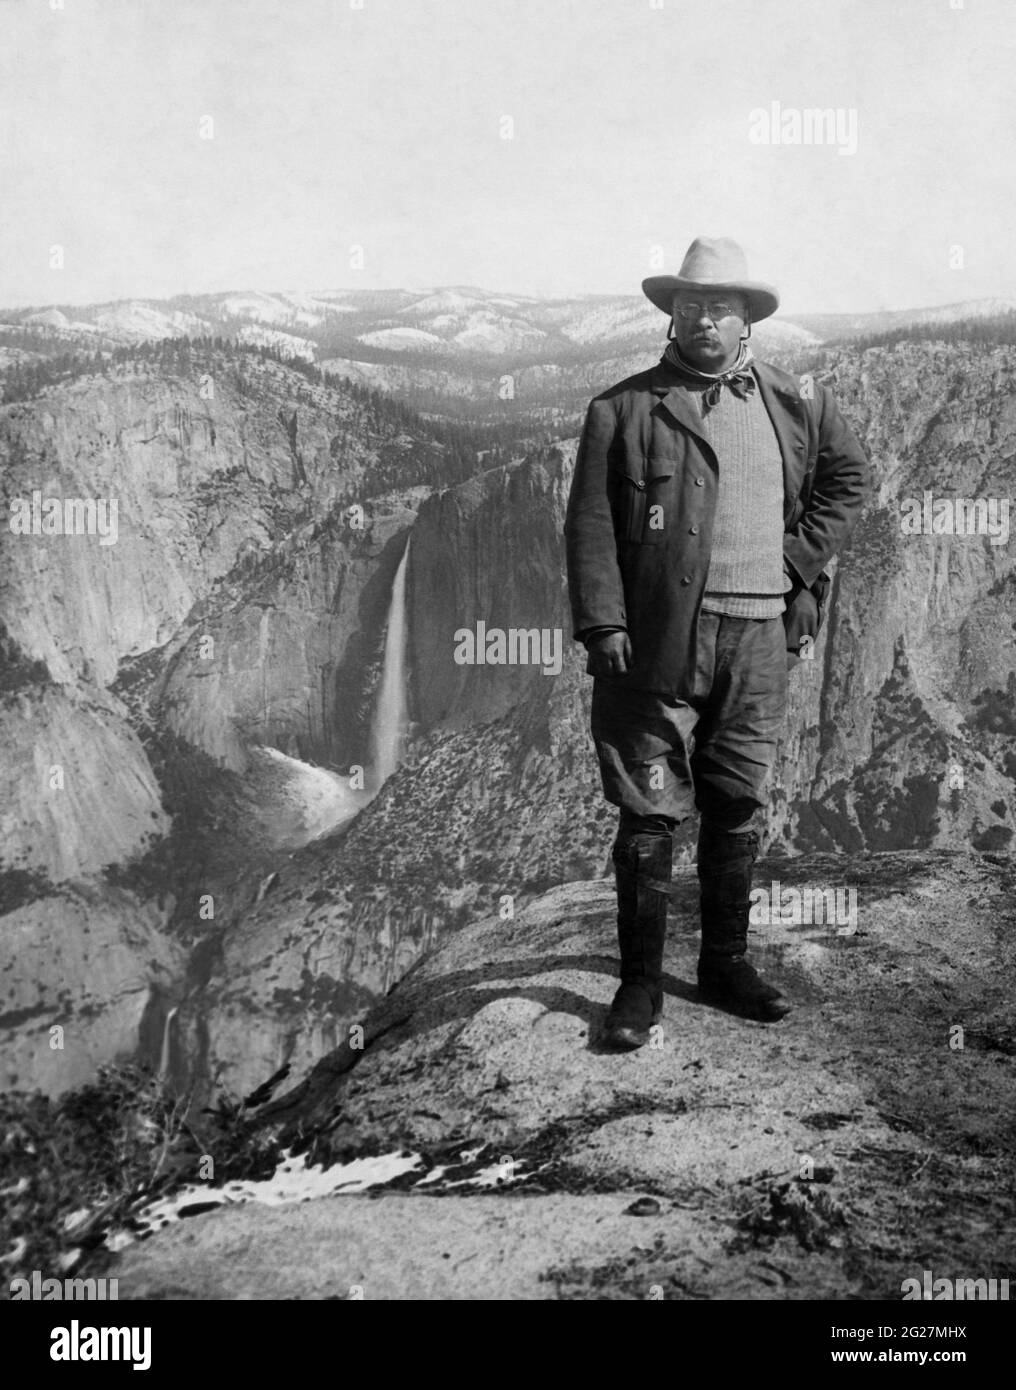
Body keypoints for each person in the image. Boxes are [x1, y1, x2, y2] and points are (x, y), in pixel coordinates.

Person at [564, 236, 869, 1048]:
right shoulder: (623, 409)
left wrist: (795, 560)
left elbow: (849, 482)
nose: (703, 320)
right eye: (689, 306)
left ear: (746, 322)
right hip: (657, 643)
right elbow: (590, 526)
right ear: (672, 316)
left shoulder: (790, 402)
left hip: (760, 637)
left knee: (737, 803)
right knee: (649, 813)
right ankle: (638, 986)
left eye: (720, 308)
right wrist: (604, 624)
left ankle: (724, 964)